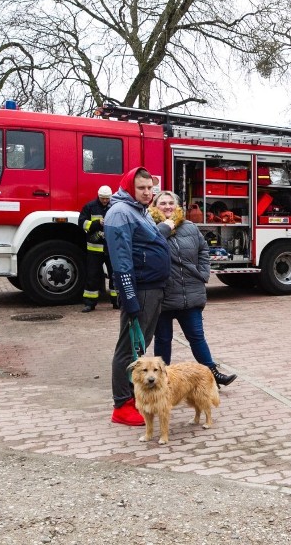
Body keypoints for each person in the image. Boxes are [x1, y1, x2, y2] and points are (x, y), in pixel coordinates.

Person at [104, 168, 171, 426]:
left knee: (138, 347)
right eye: (141, 188)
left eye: (149, 188)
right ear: (129, 188)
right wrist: (129, 297)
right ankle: (121, 405)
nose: (147, 192)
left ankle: (133, 398)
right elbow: (121, 261)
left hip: (151, 288)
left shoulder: (138, 211)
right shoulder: (120, 212)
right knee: (128, 349)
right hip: (140, 289)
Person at [150, 191, 237, 387]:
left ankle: (213, 375)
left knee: (197, 337)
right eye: (162, 203)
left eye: (171, 203)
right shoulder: (150, 228)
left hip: (190, 292)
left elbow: (204, 250)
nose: (167, 206)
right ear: (155, 206)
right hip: (163, 294)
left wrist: (203, 273)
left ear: (177, 205)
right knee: (163, 339)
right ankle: (163, 379)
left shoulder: (189, 227)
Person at [79, 186, 118, 312]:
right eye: (103, 198)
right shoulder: (90, 207)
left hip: (111, 248)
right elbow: (82, 222)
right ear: (98, 196)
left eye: (107, 198)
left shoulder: (115, 207)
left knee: (115, 275)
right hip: (94, 249)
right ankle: (90, 303)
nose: (105, 201)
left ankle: (117, 302)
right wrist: (97, 224)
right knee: (92, 275)